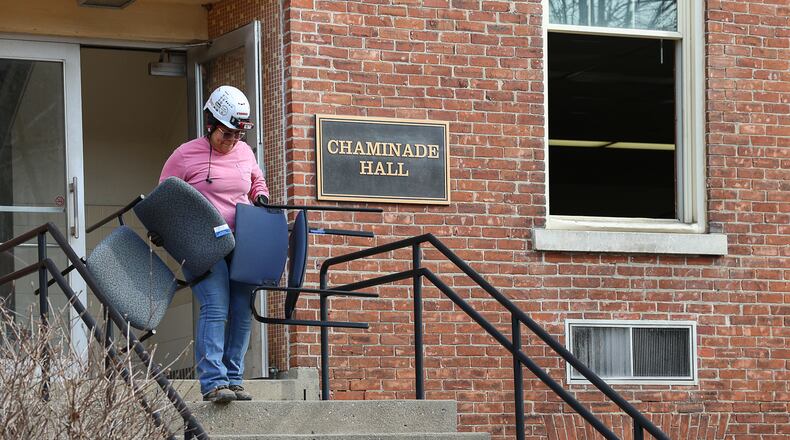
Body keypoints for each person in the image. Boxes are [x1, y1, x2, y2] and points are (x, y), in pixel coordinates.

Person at [153, 85, 269, 404]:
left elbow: (256, 179)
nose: (232, 141)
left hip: (242, 240)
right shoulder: (184, 155)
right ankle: (214, 382)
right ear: (210, 123)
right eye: (226, 133)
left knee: (241, 309)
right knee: (216, 305)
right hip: (202, 243)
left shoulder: (245, 153)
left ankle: (234, 377)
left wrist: (261, 196)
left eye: (237, 135)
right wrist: (164, 228)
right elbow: (164, 197)